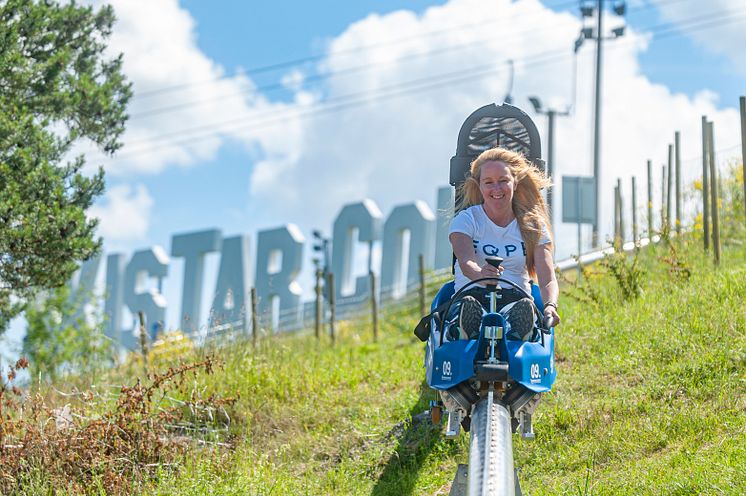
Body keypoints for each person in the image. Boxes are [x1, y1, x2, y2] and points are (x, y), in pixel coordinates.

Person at [446, 147, 560, 341]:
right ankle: (466, 328)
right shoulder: (466, 221)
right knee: (470, 308)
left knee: (521, 310)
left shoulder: (532, 226)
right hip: (472, 293)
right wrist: (480, 274)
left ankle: (520, 330)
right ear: (479, 186)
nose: (496, 189)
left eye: (503, 181)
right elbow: (466, 262)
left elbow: (547, 278)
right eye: (488, 183)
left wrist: (550, 305)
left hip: (515, 298)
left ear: (515, 182)